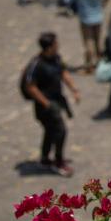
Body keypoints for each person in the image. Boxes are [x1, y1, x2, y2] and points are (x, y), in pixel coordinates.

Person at [22, 32, 80, 176]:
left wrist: (74, 89)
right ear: (48, 47)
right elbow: (30, 86)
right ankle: (58, 162)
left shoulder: (56, 58)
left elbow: (63, 72)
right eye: (55, 44)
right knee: (60, 131)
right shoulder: (36, 64)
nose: (58, 46)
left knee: (50, 131)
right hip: (45, 106)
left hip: (56, 101)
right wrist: (46, 103)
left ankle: (44, 158)